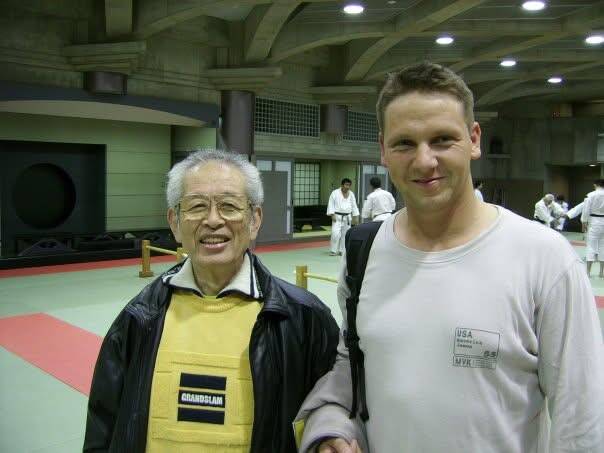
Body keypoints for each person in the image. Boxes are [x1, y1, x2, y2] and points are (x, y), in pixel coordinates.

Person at [295, 62, 604, 453]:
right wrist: (331, 427)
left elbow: (581, 419)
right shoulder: (364, 252)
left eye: (442, 139)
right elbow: (351, 364)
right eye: (404, 143)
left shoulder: (544, 258)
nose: (424, 161)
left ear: (474, 139)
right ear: (383, 151)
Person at [83, 149, 339, 452]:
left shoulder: (303, 318)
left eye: (229, 206)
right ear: (175, 222)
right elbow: (104, 425)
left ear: (255, 219)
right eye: (196, 206)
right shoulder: (139, 317)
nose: (213, 220)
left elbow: (331, 408)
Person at [327, 178, 360, 255]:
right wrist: (332, 214)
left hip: (347, 217)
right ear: (342, 185)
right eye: (346, 185)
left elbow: (354, 205)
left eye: (349, 185)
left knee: (345, 234)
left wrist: (355, 217)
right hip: (337, 216)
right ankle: (333, 250)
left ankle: (342, 250)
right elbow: (331, 203)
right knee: (335, 233)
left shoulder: (351, 194)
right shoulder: (335, 193)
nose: (347, 187)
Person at [581, 179, 604, 277]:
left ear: (595, 185)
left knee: (591, 246)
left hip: (594, 222)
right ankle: (601, 272)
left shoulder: (590, 195)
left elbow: (586, 210)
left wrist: (584, 223)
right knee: (603, 246)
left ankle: (588, 272)